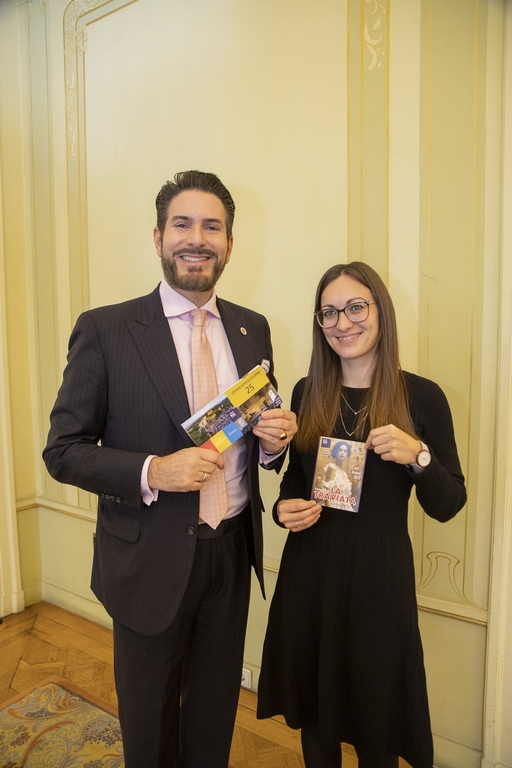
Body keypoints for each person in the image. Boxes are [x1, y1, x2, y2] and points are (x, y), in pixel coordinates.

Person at [43, 170, 297, 768]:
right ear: (158, 237)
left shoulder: (252, 327)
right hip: (147, 561)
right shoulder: (106, 329)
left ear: (229, 244)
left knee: (212, 720)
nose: (197, 238)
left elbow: (257, 443)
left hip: (231, 555)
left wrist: (273, 444)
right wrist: (153, 471)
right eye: (183, 224)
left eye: (212, 226)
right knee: (151, 732)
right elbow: (62, 450)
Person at [256, 262, 466, 768]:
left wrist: (419, 455)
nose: (342, 322)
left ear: (380, 313)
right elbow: (293, 484)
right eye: (329, 312)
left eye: (355, 307)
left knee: (378, 722)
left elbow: (449, 504)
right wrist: (285, 510)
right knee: (316, 719)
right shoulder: (309, 391)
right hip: (311, 575)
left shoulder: (421, 396)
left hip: (379, 584)